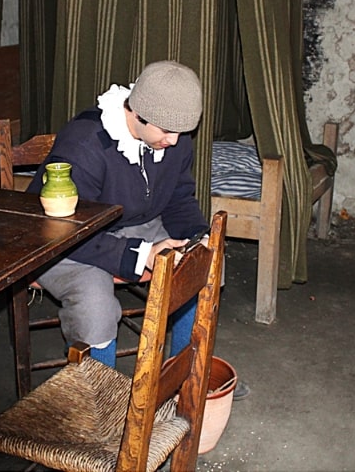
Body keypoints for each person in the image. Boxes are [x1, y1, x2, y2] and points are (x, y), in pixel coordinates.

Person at [27, 61, 242, 395]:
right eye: (166, 131)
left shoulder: (173, 138)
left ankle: (184, 375)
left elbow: (179, 196)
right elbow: (66, 229)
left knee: (205, 264)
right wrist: (141, 255)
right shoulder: (86, 145)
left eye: (181, 132)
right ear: (138, 113)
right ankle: (99, 398)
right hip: (65, 238)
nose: (174, 141)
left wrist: (197, 236)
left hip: (135, 224)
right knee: (96, 305)